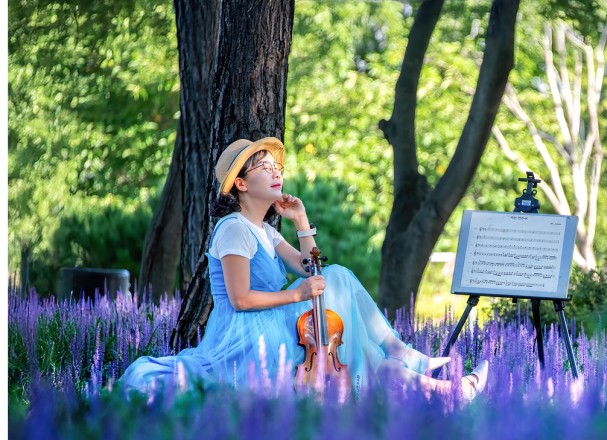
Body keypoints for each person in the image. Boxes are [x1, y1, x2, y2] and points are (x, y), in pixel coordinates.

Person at [120, 137, 489, 401]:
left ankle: (449, 391)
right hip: (246, 335)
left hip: (275, 323)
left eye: (276, 166)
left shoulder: (264, 230)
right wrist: (297, 294)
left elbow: (311, 268)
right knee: (341, 281)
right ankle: (408, 356)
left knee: (360, 343)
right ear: (242, 184)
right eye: (263, 167)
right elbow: (241, 298)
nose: (275, 172)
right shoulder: (233, 228)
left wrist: (300, 219)